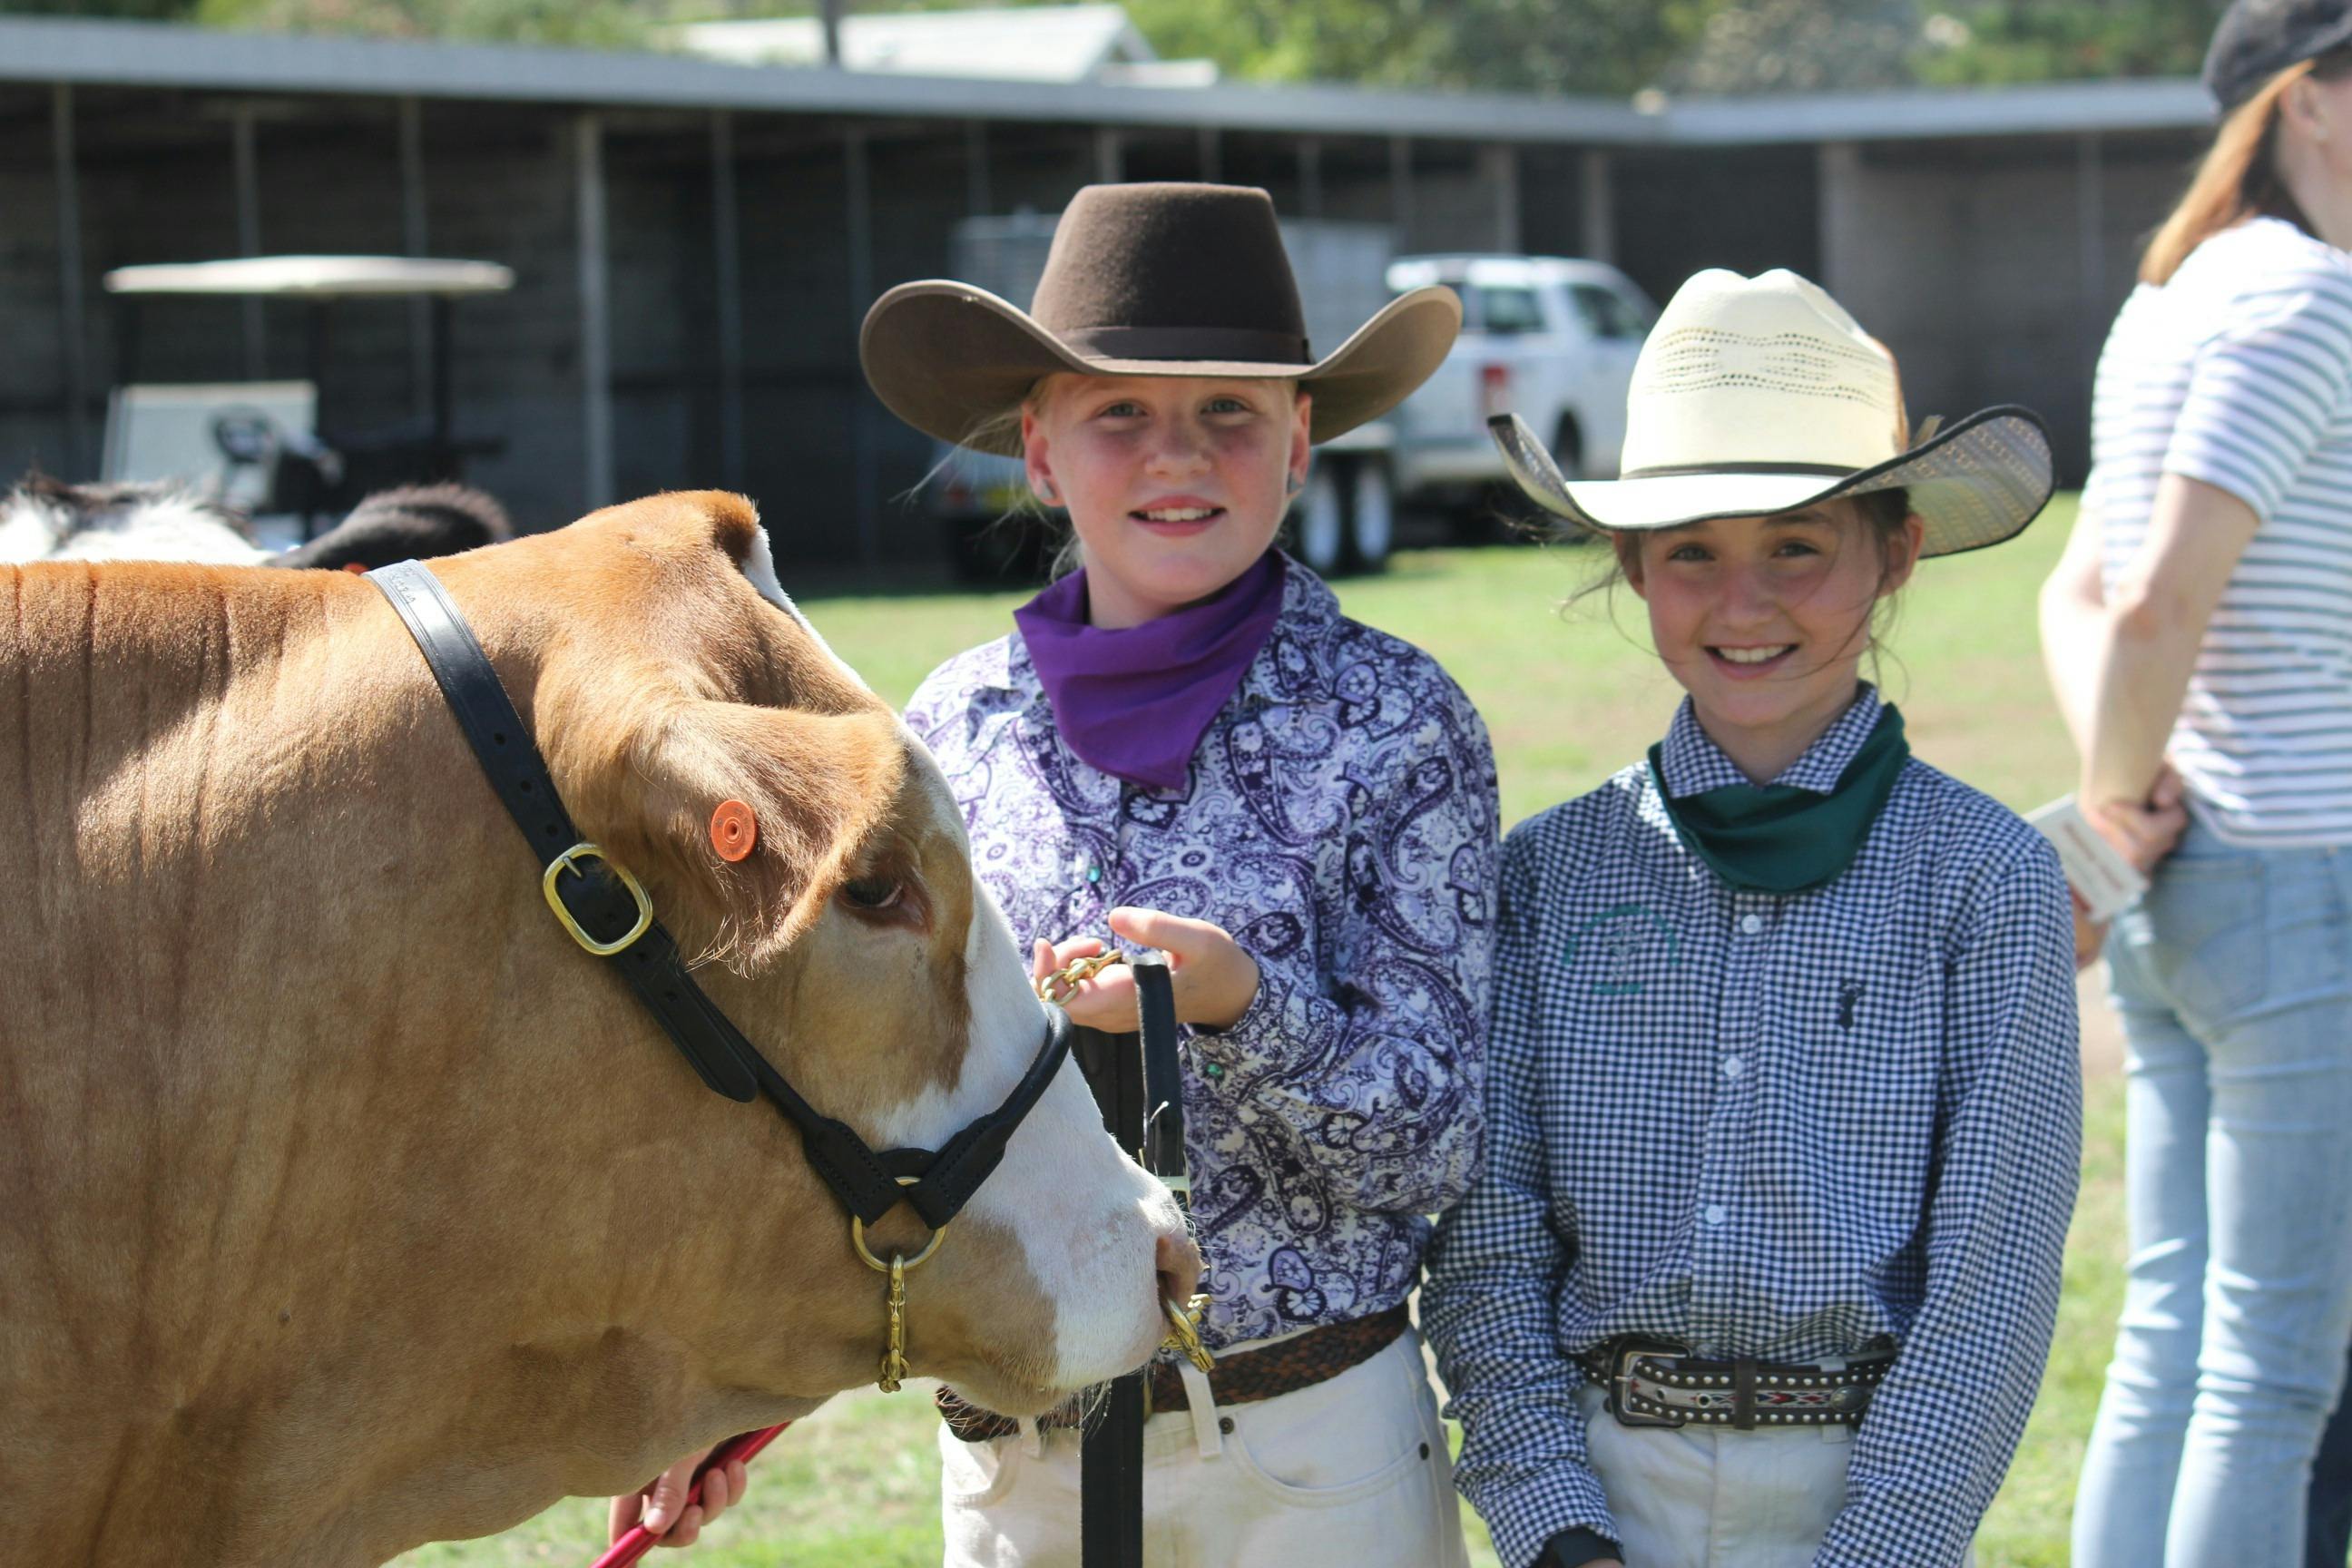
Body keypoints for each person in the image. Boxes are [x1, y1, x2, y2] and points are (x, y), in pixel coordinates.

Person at [858, 181, 1494, 1567]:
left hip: (1302, 1452)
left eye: (1229, 413)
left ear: (1300, 441)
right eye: (1121, 414)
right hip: (1019, 1457)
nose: (1177, 457)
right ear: (1038, 451)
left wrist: (1245, 1009)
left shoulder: (1398, 721)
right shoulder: (947, 732)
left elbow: (1435, 1146)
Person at [1424, 268, 2080, 1568]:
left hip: (1864, 1494)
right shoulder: (1548, 876)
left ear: (1895, 553)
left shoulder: (1987, 880)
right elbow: (1485, 1228)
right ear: (1632, 567)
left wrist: (1883, 1545)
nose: (1744, 603)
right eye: (1692, 554)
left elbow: (1993, 1279)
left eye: (1797, 544)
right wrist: (1553, 1519)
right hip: (1599, 1489)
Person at [2042, 2, 2352, 1562]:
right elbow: (2159, 595)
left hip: (2188, 880)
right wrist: (2109, 817)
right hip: (2298, 874)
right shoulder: (2309, 303)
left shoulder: (2167, 302)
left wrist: (2119, 828)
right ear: (2308, 101)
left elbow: (2074, 591)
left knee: (2170, 1343)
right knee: (2273, 1371)